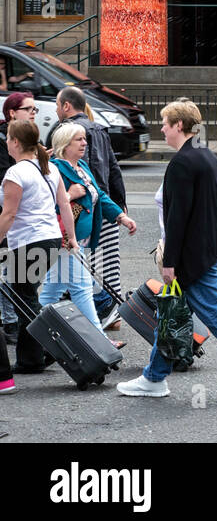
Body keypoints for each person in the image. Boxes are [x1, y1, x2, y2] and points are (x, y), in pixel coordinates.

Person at [117, 100, 217, 401]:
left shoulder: (182, 163)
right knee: (172, 312)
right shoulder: (208, 157)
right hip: (212, 250)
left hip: (195, 256)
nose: (161, 128)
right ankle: (154, 377)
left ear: (179, 125)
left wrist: (170, 262)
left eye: (165, 123)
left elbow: (177, 219)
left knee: (214, 313)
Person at [0, 119, 76, 389]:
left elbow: (8, 215)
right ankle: (31, 357)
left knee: (24, 298)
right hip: (50, 239)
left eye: (8, 137)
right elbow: (64, 204)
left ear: (17, 142)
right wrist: (71, 237)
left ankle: (47, 350)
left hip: (28, 243)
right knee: (26, 295)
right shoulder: (50, 168)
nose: (6, 141)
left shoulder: (16, 173)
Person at [47, 122, 135, 340]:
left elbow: (101, 196)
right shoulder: (55, 168)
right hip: (66, 238)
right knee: (82, 288)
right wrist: (69, 194)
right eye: (79, 139)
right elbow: (48, 204)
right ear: (65, 144)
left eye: (84, 138)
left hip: (78, 239)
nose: (85, 143)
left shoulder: (82, 168)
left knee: (51, 292)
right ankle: (99, 341)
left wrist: (121, 216)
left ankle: (32, 333)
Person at [54, 87, 128, 329]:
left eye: (57, 105)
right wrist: (119, 206)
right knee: (109, 263)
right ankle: (111, 313)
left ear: (66, 106)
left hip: (83, 208)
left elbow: (78, 172)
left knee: (81, 264)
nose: (56, 110)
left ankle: (76, 317)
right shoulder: (98, 128)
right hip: (104, 203)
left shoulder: (67, 131)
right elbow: (113, 167)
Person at [1, 94, 39, 345]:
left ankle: (24, 331)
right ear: (13, 113)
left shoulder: (30, 144)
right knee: (10, 274)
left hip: (25, 224)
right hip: (9, 214)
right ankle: (11, 322)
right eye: (28, 108)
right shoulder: (5, 145)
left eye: (35, 108)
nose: (34, 112)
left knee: (20, 282)